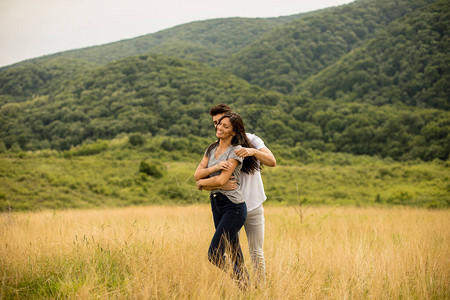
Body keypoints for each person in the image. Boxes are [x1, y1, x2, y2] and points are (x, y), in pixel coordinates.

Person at [205, 103, 276, 285]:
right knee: (233, 252)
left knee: (256, 252)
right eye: (215, 123)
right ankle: (245, 288)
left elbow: (272, 161)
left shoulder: (252, 139)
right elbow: (210, 178)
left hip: (253, 205)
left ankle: (261, 289)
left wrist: (252, 151)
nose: (217, 126)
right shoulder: (217, 147)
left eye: (221, 122)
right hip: (231, 206)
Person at [194, 112, 259, 288]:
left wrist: (201, 184)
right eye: (219, 124)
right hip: (217, 204)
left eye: (225, 126)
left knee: (214, 253)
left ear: (234, 132)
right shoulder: (211, 148)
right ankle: (248, 292)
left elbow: (221, 180)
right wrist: (212, 169)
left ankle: (243, 283)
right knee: (234, 253)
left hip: (234, 207)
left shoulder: (235, 151)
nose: (219, 128)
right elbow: (197, 174)